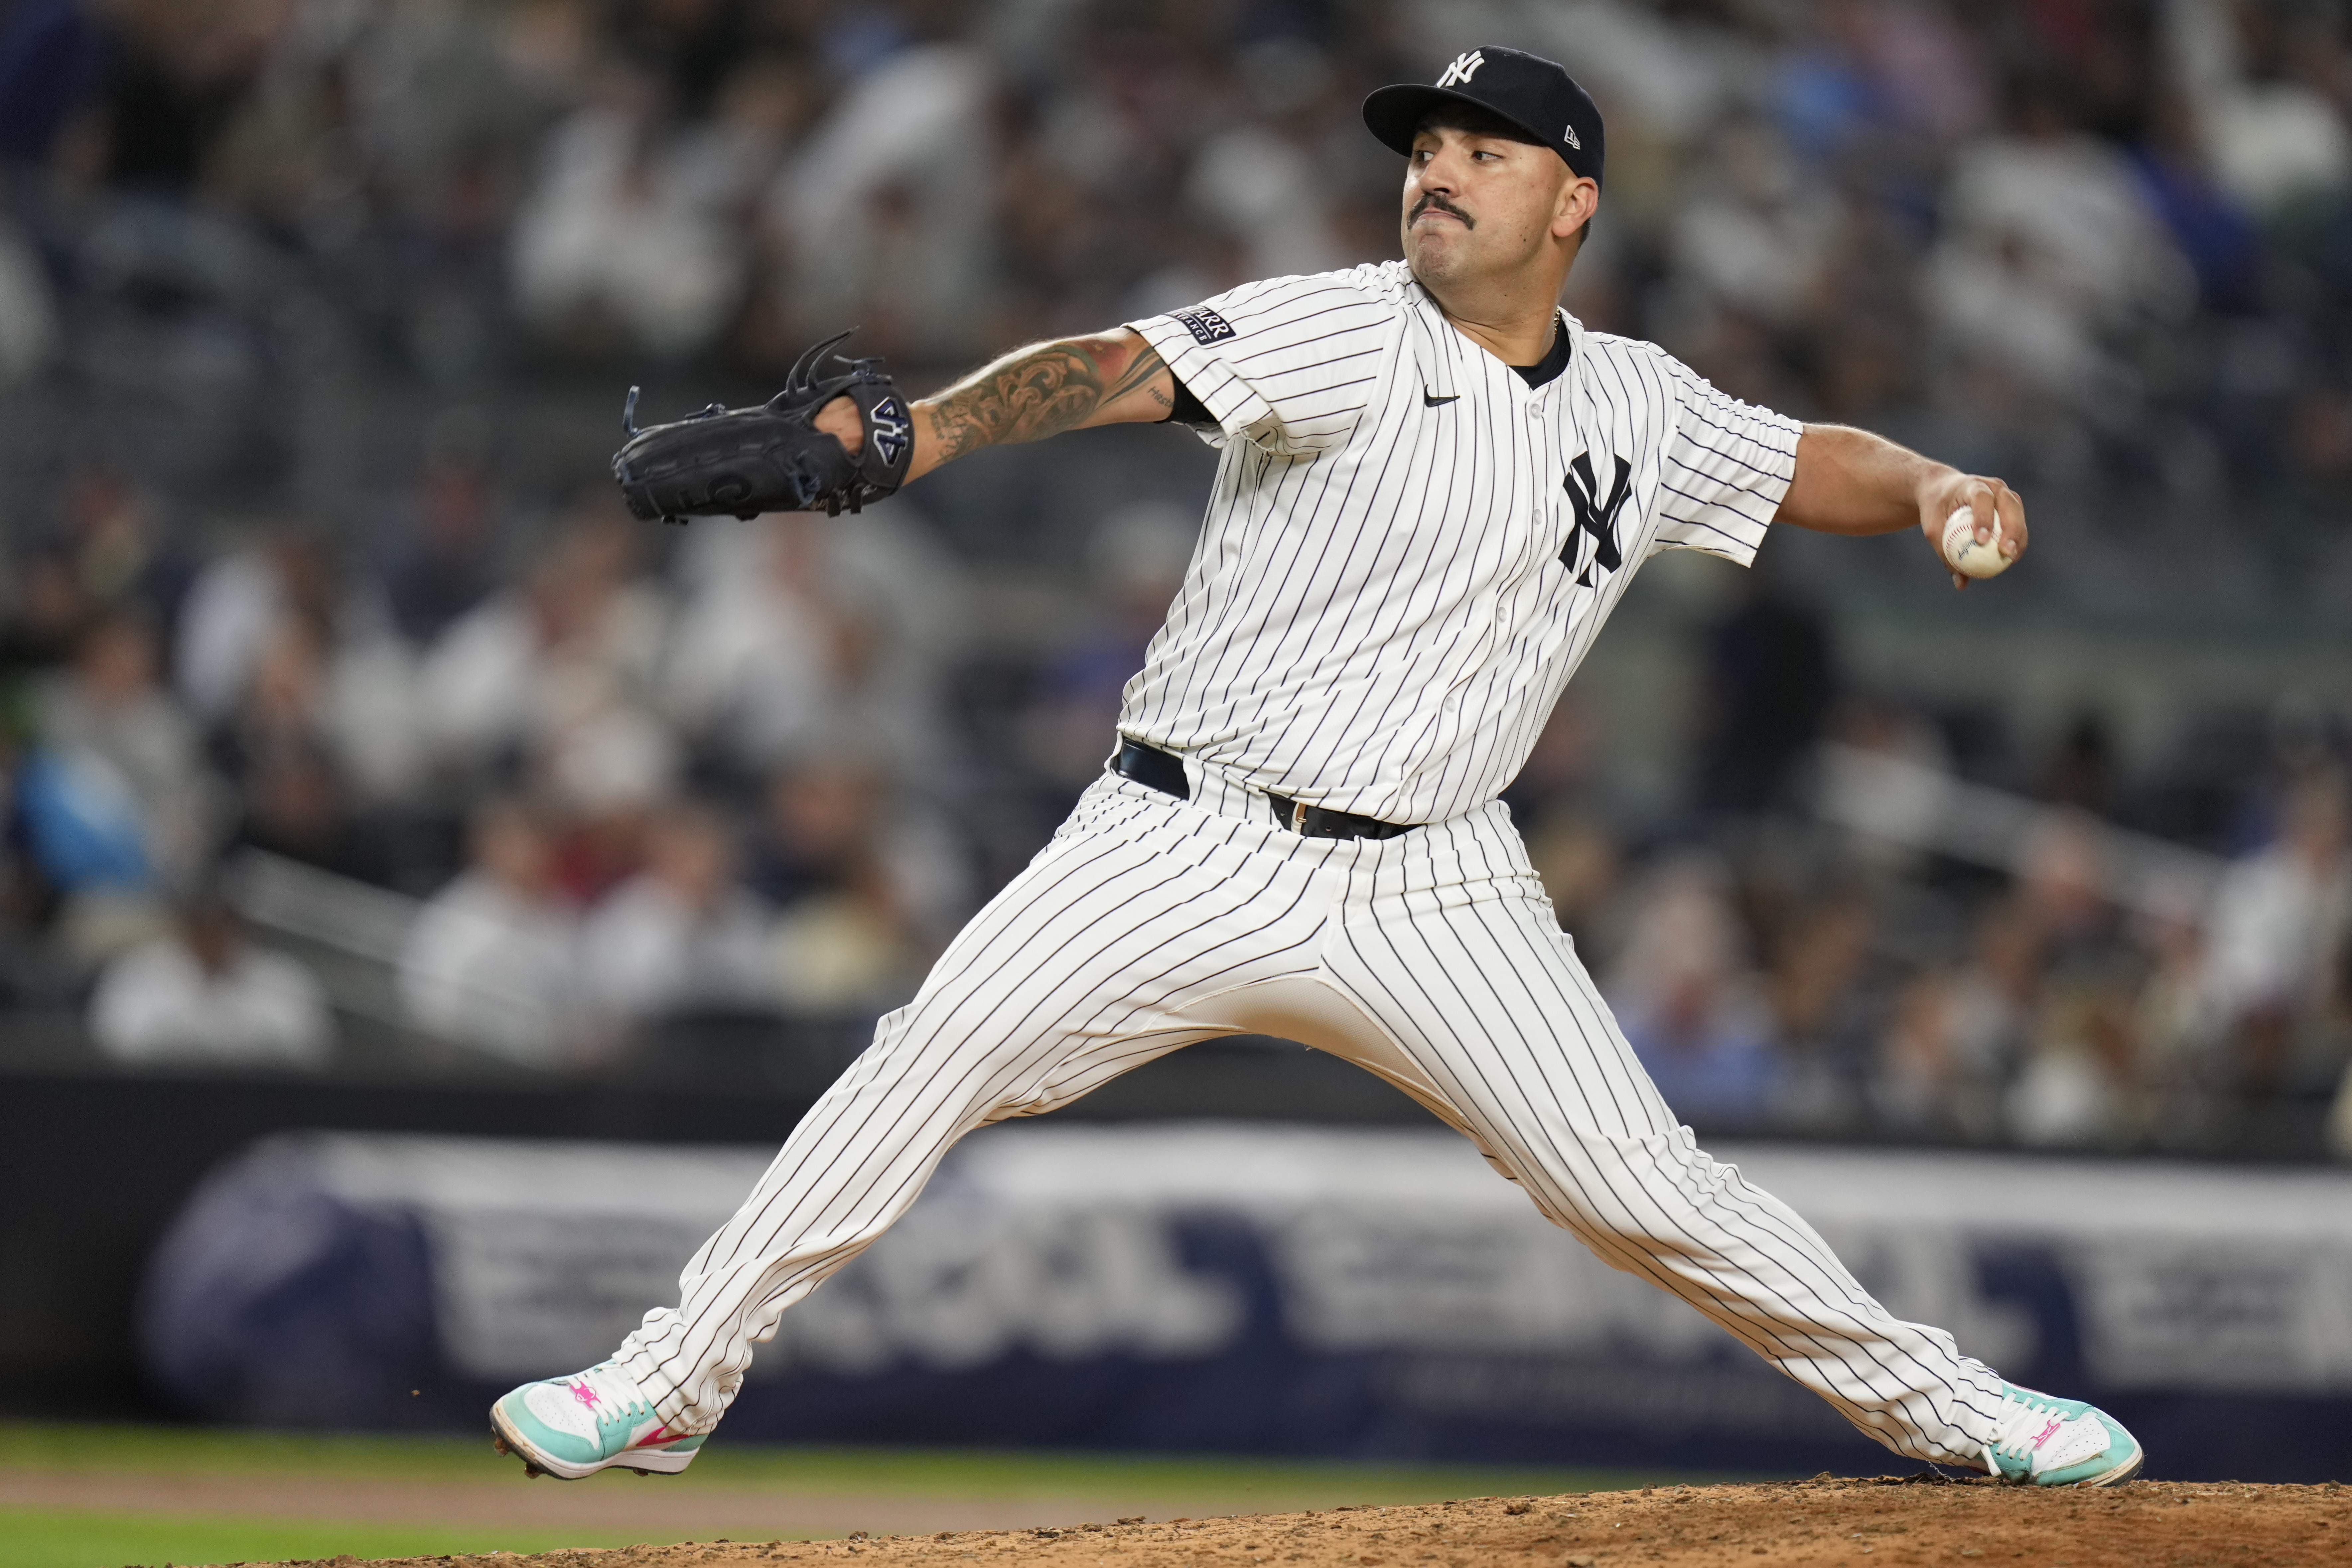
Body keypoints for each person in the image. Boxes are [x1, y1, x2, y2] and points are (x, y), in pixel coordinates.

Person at [489, 47, 2140, 1490]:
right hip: (1179, 837)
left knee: (1646, 1190)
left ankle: (1952, 1410)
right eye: (1426, 147)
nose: (1436, 171)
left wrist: (1929, 485)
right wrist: (915, 431)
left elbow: (1801, 465)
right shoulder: (1338, 330)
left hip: (1437, 878)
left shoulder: (1636, 402)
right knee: (923, 1064)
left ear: (1572, 203)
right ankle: (663, 1385)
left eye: (1484, 152)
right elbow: (1107, 369)